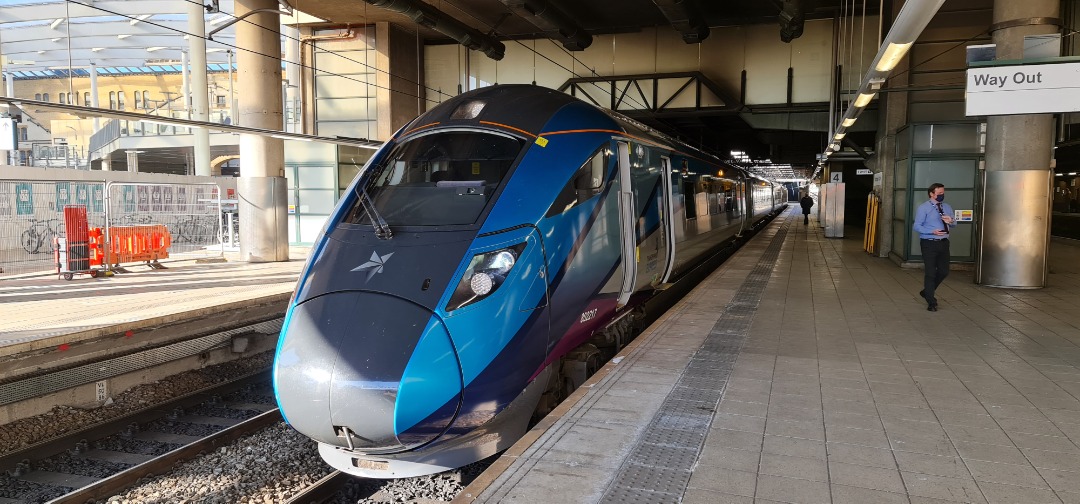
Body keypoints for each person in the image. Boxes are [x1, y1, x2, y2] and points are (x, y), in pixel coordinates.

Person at [913, 183, 956, 312]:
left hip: (943, 243)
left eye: (943, 193)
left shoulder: (947, 207)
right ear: (931, 194)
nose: (942, 195)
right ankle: (931, 301)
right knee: (930, 272)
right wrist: (932, 231)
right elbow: (917, 226)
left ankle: (926, 291)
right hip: (929, 243)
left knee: (944, 271)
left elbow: (954, 224)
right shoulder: (924, 208)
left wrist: (951, 221)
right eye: (939, 193)